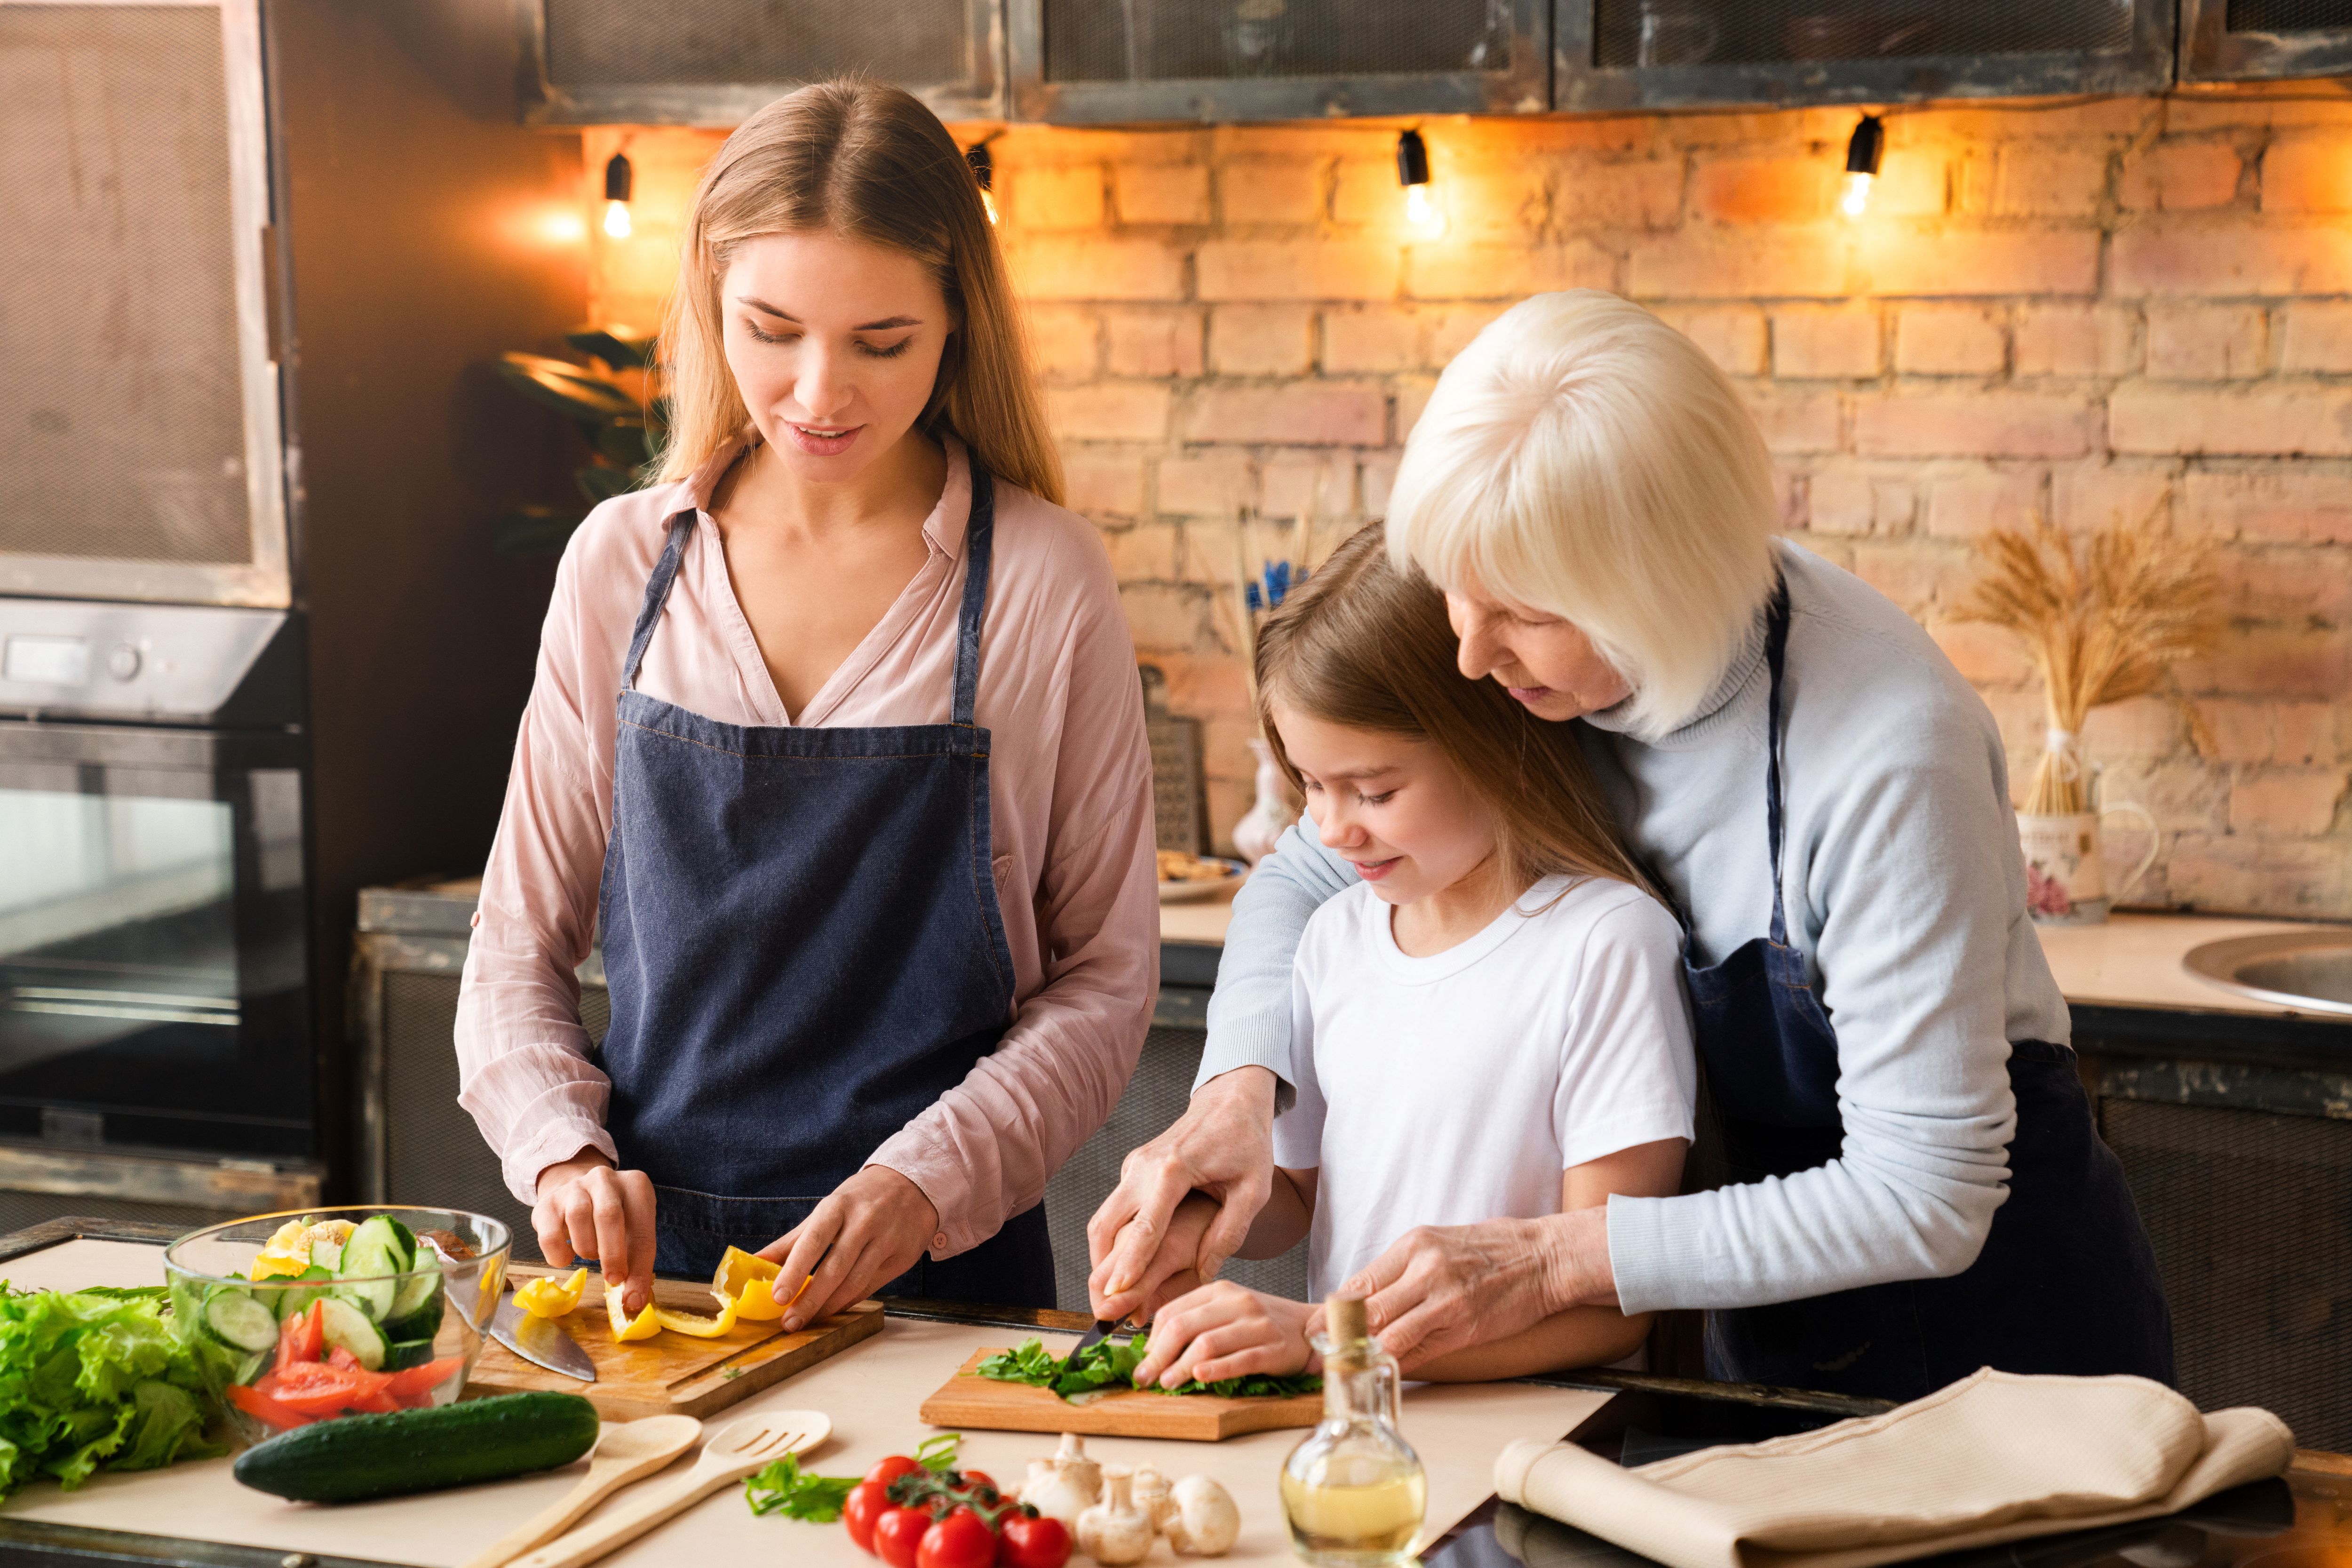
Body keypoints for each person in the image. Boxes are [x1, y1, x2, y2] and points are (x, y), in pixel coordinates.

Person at [1089, 290, 2173, 1404]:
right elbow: (1304, 871)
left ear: (1647, 585)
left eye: (1514, 611)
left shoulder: (1888, 753)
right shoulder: (1543, 660)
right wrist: (1237, 1093)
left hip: (1993, 1343)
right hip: (1760, 1316)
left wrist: (1555, 1253)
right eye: (1457, 590)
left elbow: (1927, 1192)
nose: (1467, 653)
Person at [456, 80, 1157, 1330]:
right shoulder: (622, 562)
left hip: (943, 1285)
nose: (818, 391)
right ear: (709, 305)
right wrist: (560, 1149)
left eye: (880, 341)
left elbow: (1106, 980)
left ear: (955, 323)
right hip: (652, 1287)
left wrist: (924, 1180)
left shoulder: (1044, 578)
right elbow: (515, 942)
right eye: (770, 329)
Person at [1120, 523, 1694, 1393]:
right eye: (1312, 785)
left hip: (1527, 1453)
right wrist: (1199, 1209)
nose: (1331, 829)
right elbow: (1300, 1202)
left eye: (1375, 791)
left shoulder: (1606, 944)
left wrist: (1328, 1340)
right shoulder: (1334, 939)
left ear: (1495, 745)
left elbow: (1615, 1305)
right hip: (1356, 1437)